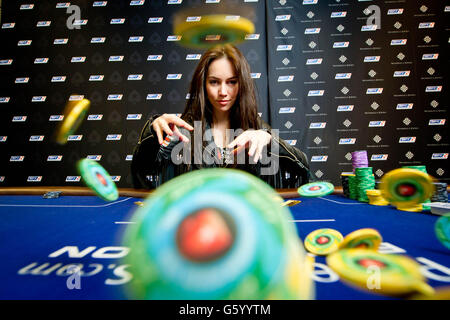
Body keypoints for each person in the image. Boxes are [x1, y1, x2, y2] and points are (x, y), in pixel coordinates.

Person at [131, 44, 310, 189]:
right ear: (203, 84)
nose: (223, 92)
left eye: (232, 82)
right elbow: (140, 172)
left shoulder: (257, 129)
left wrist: (270, 140)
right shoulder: (183, 130)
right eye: (214, 82)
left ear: (242, 85)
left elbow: (303, 168)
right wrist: (152, 133)